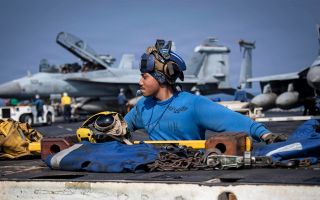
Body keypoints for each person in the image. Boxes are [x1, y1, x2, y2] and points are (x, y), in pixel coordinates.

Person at [124, 39, 285, 144]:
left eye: (144, 77)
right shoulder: (142, 106)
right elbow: (120, 127)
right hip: (155, 174)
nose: (140, 82)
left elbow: (233, 120)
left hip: (192, 173)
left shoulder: (192, 104)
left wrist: (265, 134)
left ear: (161, 77)